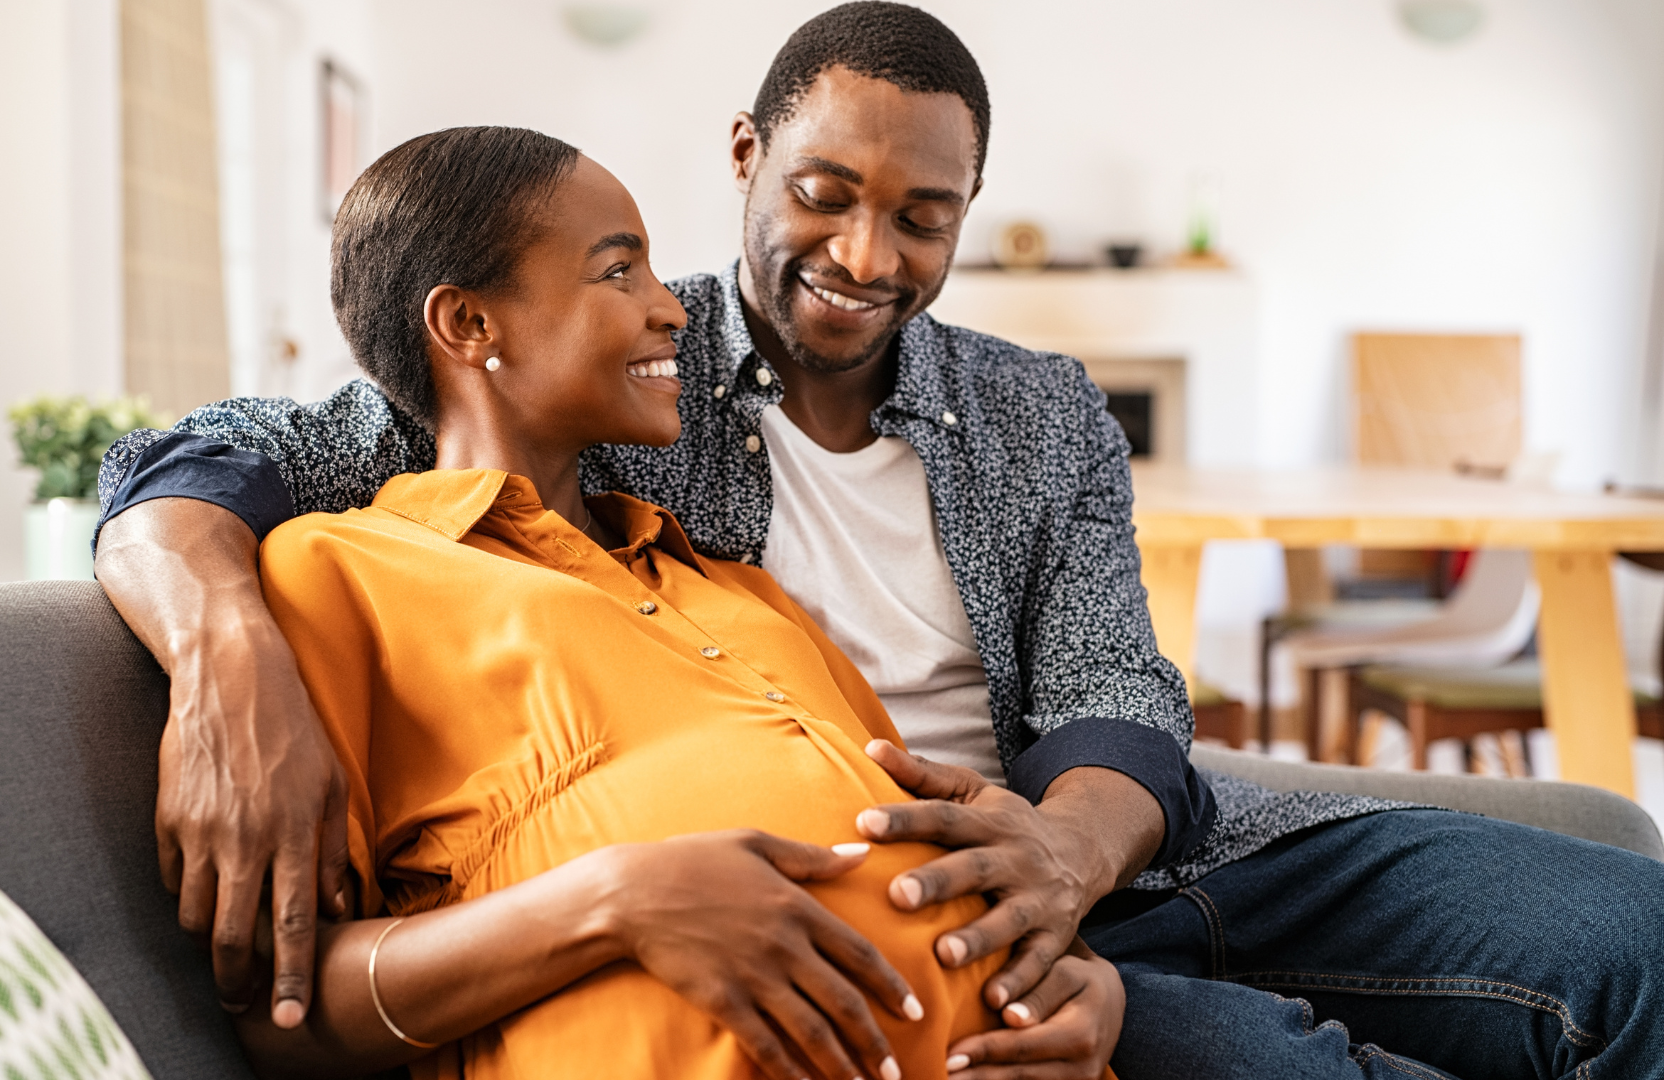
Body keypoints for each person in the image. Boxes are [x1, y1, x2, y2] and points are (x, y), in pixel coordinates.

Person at [96, 3, 1664, 1077]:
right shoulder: (618, 372)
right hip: (898, 928)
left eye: (924, 216)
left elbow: (1121, 689)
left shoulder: (1037, 410)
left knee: (1628, 935)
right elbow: (199, 457)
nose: (867, 253)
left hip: (1104, 858)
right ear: (745, 160)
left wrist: (1063, 849)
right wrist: (226, 637)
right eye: (827, 193)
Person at [230, 122, 1124, 1080]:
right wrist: (613, 898)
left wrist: (1084, 981)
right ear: (469, 325)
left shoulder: (740, 593)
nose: (672, 308)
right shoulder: (339, 573)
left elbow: (932, 836)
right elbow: (280, 1014)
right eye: (619, 271)